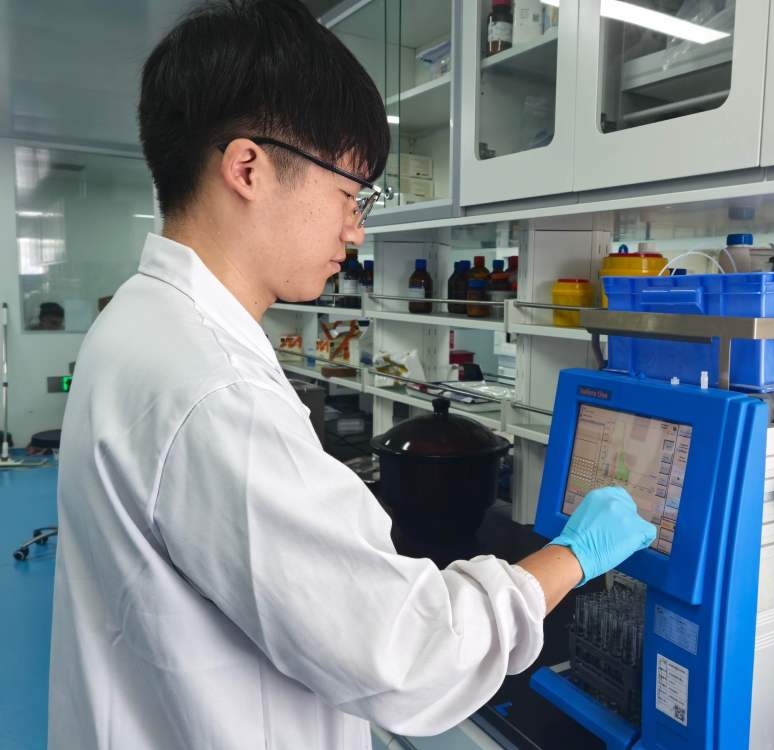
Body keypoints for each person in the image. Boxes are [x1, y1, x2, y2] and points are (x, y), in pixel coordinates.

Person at [47, 2, 657, 749]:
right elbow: (410, 655)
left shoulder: (138, 320)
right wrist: (572, 557)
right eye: (347, 193)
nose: (356, 229)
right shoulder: (215, 387)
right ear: (248, 168)